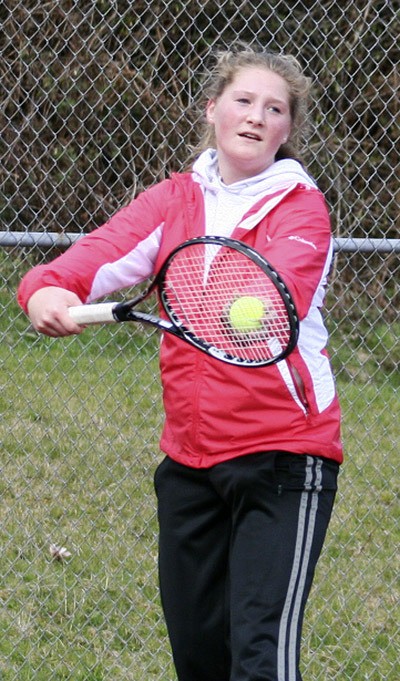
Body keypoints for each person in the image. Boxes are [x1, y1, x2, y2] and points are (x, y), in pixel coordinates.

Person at [18, 44, 343, 681]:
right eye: (243, 101)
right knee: (199, 657)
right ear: (213, 110)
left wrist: (219, 296)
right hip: (190, 462)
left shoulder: (303, 209)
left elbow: (277, 295)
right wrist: (48, 288)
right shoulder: (173, 199)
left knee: (260, 659)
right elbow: (98, 254)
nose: (256, 116)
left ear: (287, 130)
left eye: (274, 109)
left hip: (283, 456)